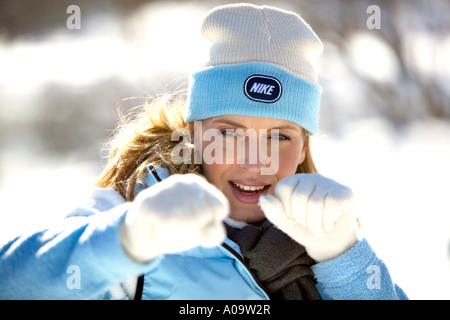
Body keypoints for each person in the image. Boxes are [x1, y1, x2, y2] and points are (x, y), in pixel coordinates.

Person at [0, 3, 407, 300]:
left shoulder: (326, 238)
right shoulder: (128, 208)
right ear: (194, 133)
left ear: (304, 145)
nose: (254, 160)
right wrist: (126, 240)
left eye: (280, 136)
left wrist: (344, 257)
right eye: (229, 132)